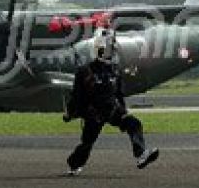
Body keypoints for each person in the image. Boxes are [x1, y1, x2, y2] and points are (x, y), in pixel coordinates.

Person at [63, 37, 159, 176]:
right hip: (94, 114)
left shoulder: (114, 70)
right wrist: (70, 113)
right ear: (99, 51)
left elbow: (119, 93)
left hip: (113, 110)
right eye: (108, 51)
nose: (111, 53)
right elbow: (76, 96)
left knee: (134, 123)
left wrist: (124, 110)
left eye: (112, 51)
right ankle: (74, 164)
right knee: (87, 144)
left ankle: (141, 155)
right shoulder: (85, 71)